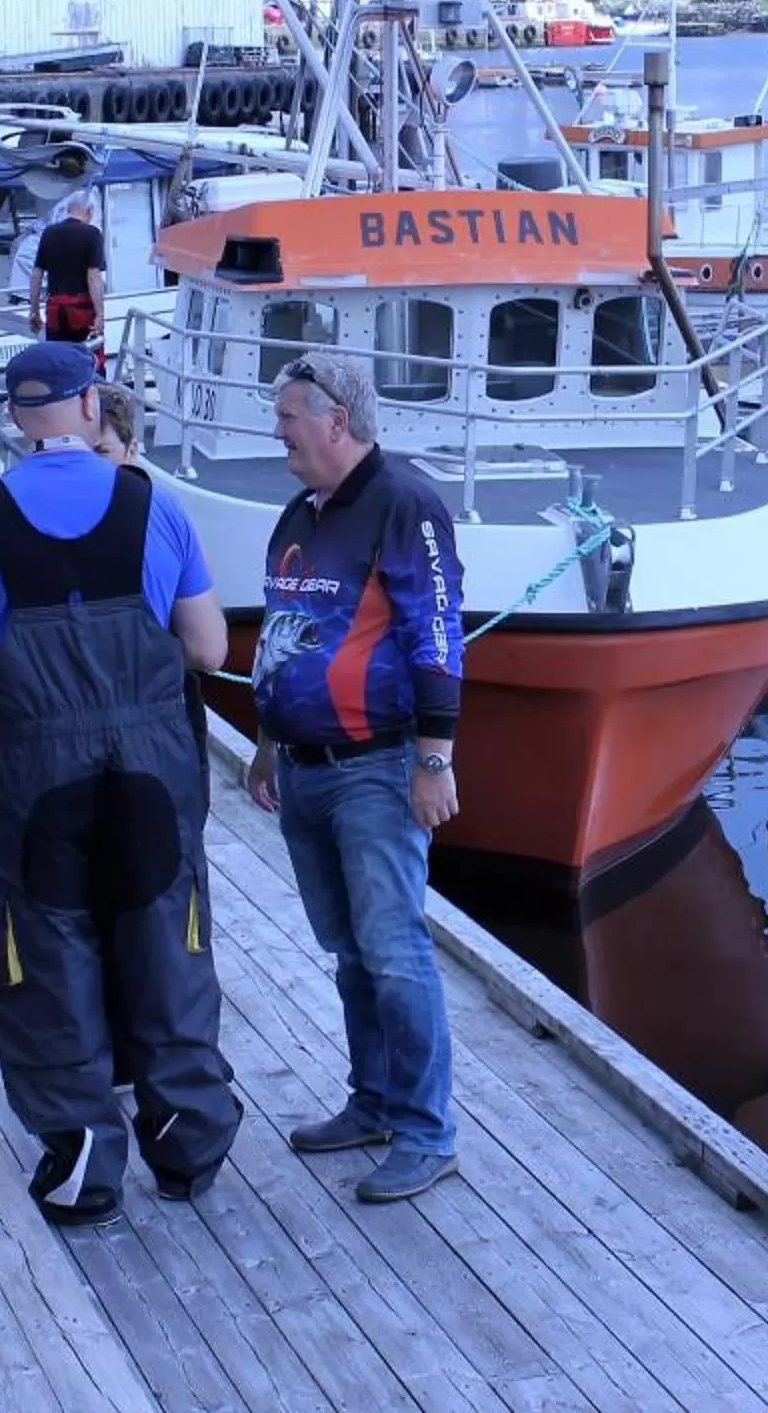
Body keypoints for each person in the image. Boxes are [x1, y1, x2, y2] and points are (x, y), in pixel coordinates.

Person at [0, 342, 238, 1225]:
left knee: (45, 953)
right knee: (166, 938)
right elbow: (209, 651)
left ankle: (85, 1153)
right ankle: (186, 1139)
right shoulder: (152, 504)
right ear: (91, 403)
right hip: (150, 770)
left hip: (34, 778)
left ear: (18, 419)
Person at [242, 351, 465, 1204]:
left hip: (376, 766)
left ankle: (425, 1132)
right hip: (302, 767)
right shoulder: (301, 511)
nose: (278, 432)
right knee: (349, 953)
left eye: (288, 417)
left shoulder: (404, 505)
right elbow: (282, 629)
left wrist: (434, 758)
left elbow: (436, 633)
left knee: (396, 951)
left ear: (336, 420)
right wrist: (267, 737)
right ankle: (372, 1102)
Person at [31, 191, 107, 345]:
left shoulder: (49, 233)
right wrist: (100, 313)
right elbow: (93, 275)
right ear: (89, 211)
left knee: (57, 356)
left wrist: (34, 310)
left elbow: (37, 274)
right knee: (86, 355)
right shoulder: (92, 234)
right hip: (82, 310)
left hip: (55, 311)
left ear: (68, 210)